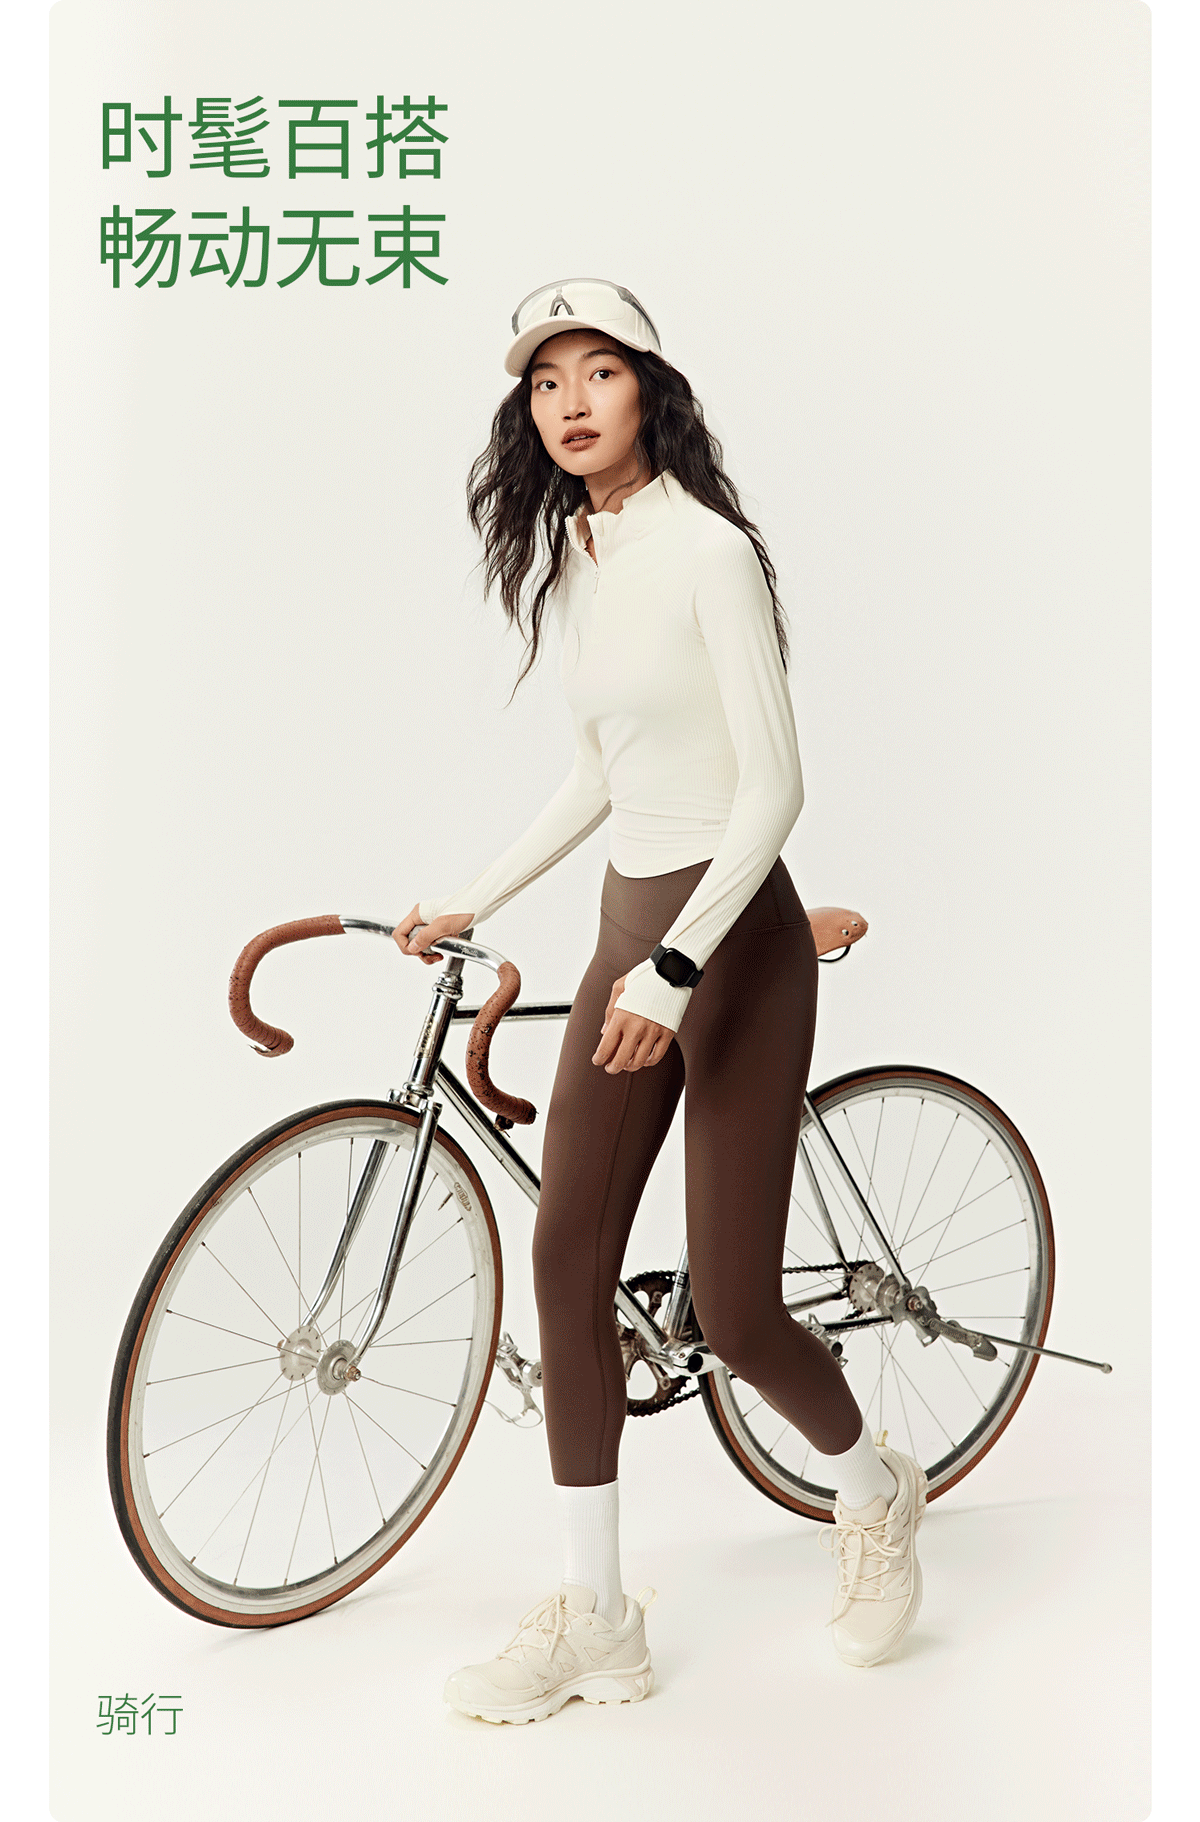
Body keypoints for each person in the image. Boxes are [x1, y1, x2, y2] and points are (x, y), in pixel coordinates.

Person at [393, 278, 926, 1724]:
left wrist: (677, 969)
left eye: (600, 372)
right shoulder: (584, 554)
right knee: (565, 1258)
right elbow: (602, 769)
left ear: (652, 392)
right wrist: (479, 892)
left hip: (731, 949)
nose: (570, 402)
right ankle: (598, 1619)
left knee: (737, 1310)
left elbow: (774, 787)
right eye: (545, 380)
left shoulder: (708, 552)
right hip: (629, 930)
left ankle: (874, 1487)